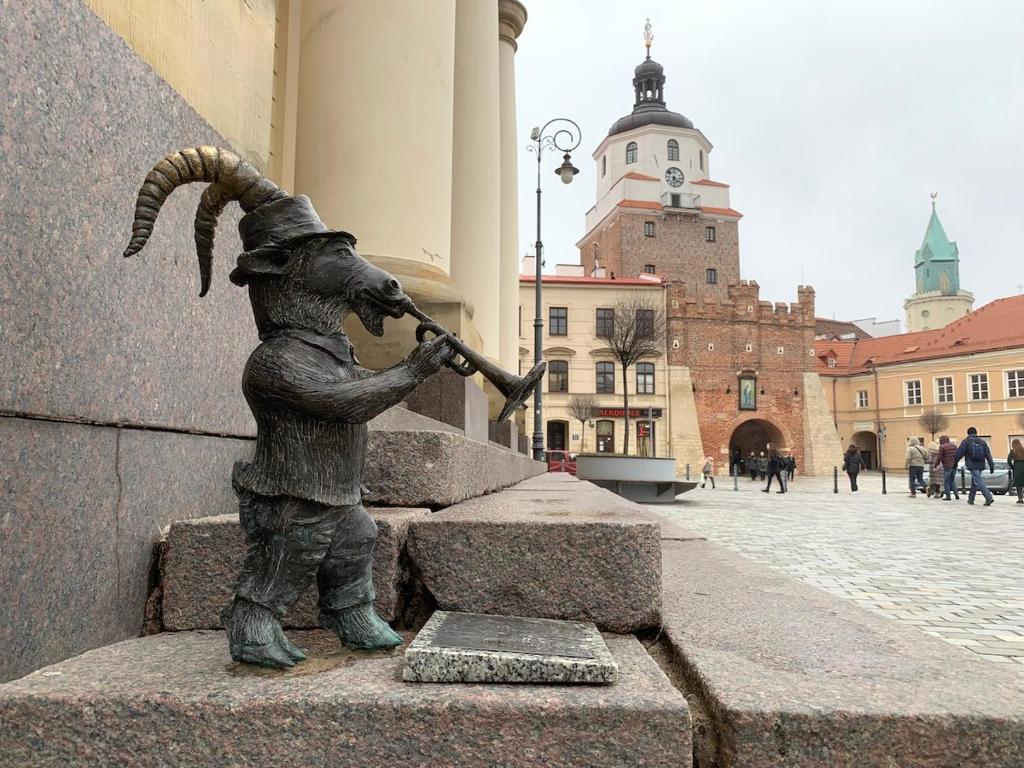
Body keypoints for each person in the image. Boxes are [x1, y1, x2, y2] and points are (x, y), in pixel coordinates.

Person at [954, 427, 994, 506]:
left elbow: (959, 453)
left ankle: (988, 497)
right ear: (976, 433)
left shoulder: (966, 441)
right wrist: (991, 465)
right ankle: (971, 499)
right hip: (981, 464)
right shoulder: (982, 442)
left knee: (978, 481)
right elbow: (988, 454)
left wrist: (955, 462)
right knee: (975, 481)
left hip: (972, 464)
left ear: (968, 433)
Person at [933, 435, 959, 501]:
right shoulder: (954, 446)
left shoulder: (942, 447)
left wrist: (935, 465)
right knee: (952, 480)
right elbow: (957, 455)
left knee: (946, 481)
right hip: (954, 465)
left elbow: (939, 457)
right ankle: (956, 495)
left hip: (947, 466)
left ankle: (948, 496)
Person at [1008, 438, 1024, 504]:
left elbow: (1009, 460)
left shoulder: (1012, 451)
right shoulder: (1023, 450)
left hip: (1017, 467)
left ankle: (1020, 499)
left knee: (1018, 484)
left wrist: (1012, 467)